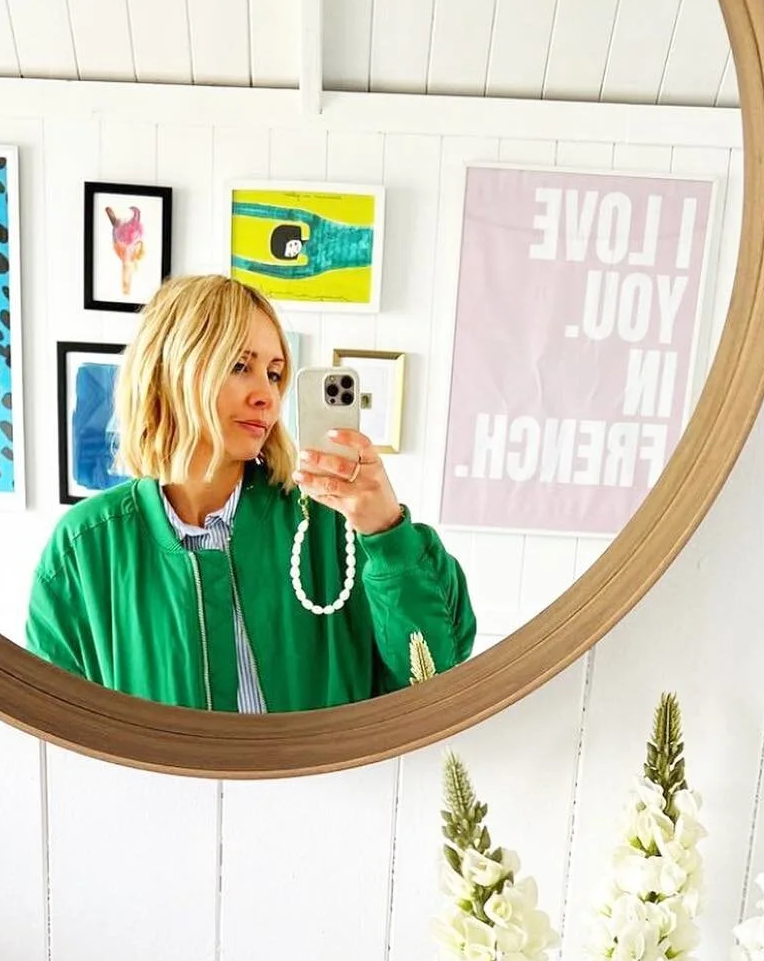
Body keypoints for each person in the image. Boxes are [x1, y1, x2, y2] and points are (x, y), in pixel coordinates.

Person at [26, 273, 475, 712]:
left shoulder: (330, 522)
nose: (267, 395)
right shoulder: (84, 551)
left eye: (275, 374)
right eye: (240, 366)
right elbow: (60, 732)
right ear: (170, 371)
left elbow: (438, 679)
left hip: (331, 787)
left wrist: (387, 532)